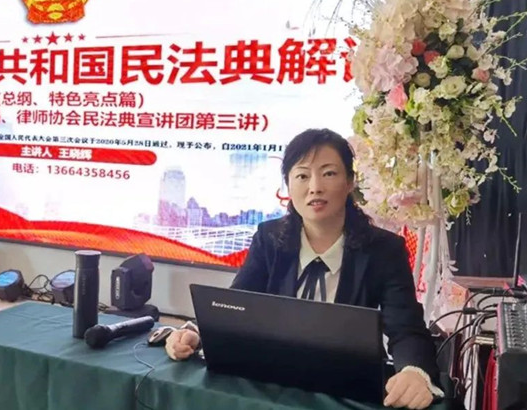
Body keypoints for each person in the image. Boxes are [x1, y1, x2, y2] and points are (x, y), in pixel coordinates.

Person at [165, 128, 443, 410]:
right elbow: (235, 306)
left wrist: (414, 372)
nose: (315, 187)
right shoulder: (269, 239)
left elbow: (406, 329)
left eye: (328, 173)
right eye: (302, 176)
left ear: (350, 182)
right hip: (273, 384)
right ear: (288, 185)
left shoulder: (383, 250)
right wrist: (196, 332)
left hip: (349, 389)